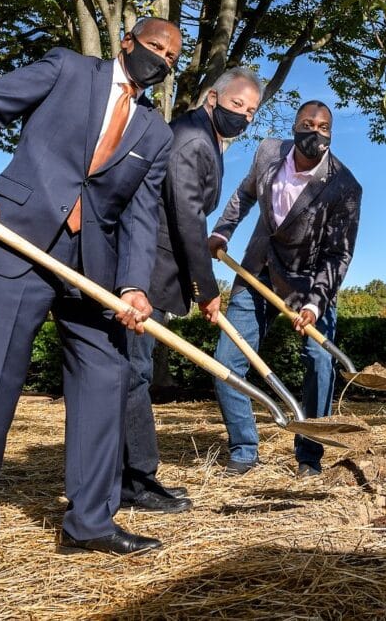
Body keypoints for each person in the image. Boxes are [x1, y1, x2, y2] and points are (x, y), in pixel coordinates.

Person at [0, 18, 181, 583]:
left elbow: (141, 217)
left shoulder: (156, 132)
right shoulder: (67, 69)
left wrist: (134, 285)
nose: (162, 59)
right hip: (18, 245)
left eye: (172, 56)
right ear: (127, 41)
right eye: (153, 46)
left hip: (91, 272)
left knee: (106, 380)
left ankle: (91, 523)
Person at [120, 68, 264, 513]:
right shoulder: (193, 139)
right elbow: (187, 219)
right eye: (237, 104)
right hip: (144, 271)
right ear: (212, 98)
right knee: (132, 374)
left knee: (133, 372)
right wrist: (205, 287)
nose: (243, 116)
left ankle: (131, 477)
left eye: (252, 111)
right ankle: (135, 481)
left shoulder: (202, 136)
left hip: (155, 269)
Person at [208, 100, 361, 478]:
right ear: (295, 126)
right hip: (258, 269)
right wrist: (222, 229)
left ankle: (309, 456)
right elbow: (245, 193)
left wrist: (313, 304)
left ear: (331, 133)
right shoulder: (268, 152)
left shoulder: (344, 185)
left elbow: (337, 254)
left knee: (320, 361)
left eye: (324, 127)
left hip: (310, 281)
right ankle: (244, 449)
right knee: (227, 361)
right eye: (308, 124)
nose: (315, 131)